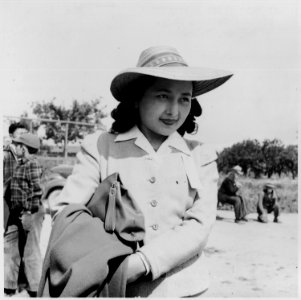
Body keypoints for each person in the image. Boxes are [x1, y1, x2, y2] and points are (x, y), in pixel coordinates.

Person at [48, 45, 233, 297]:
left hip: (185, 289)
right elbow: (66, 214)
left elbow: (199, 225)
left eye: (184, 99)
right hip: (114, 288)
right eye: (162, 96)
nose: (174, 111)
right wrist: (109, 262)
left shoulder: (200, 155)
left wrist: (140, 264)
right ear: (136, 98)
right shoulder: (101, 147)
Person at [4, 133, 45, 297]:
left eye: (19, 145)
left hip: (31, 212)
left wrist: (28, 212)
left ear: (24, 148)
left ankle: (36, 289)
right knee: (10, 247)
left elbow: (37, 191)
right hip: (17, 211)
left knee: (30, 252)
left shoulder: (33, 164)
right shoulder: (21, 164)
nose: (16, 147)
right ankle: (8, 285)